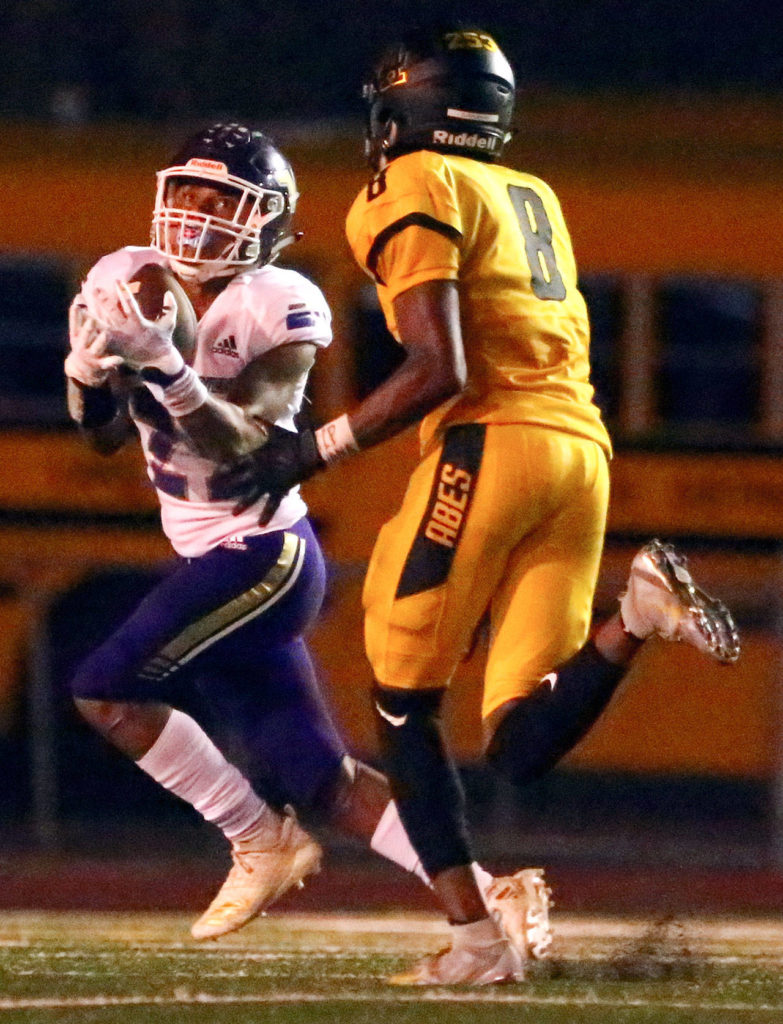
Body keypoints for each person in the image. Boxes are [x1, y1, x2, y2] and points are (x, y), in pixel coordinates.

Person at [214, 29, 741, 986]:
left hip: (488, 442)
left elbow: (438, 366)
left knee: (400, 700)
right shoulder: (529, 192)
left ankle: (474, 940)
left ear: (408, 109)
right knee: (514, 743)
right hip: (581, 454)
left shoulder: (411, 185)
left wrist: (314, 448)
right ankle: (635, 617)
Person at [63, 121, 553, 956]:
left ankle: (255, 840)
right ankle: (487, 898)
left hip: (262, 554)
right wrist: (85, 377)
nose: (195, 214)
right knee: (322, 779)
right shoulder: (127, 278)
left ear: (265, 219)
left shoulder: (277, 303)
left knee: (104, 688)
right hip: (208, 550)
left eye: (221, 200)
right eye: (186, 192)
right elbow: (106, 437)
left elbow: (248, 447)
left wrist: (168, 369)